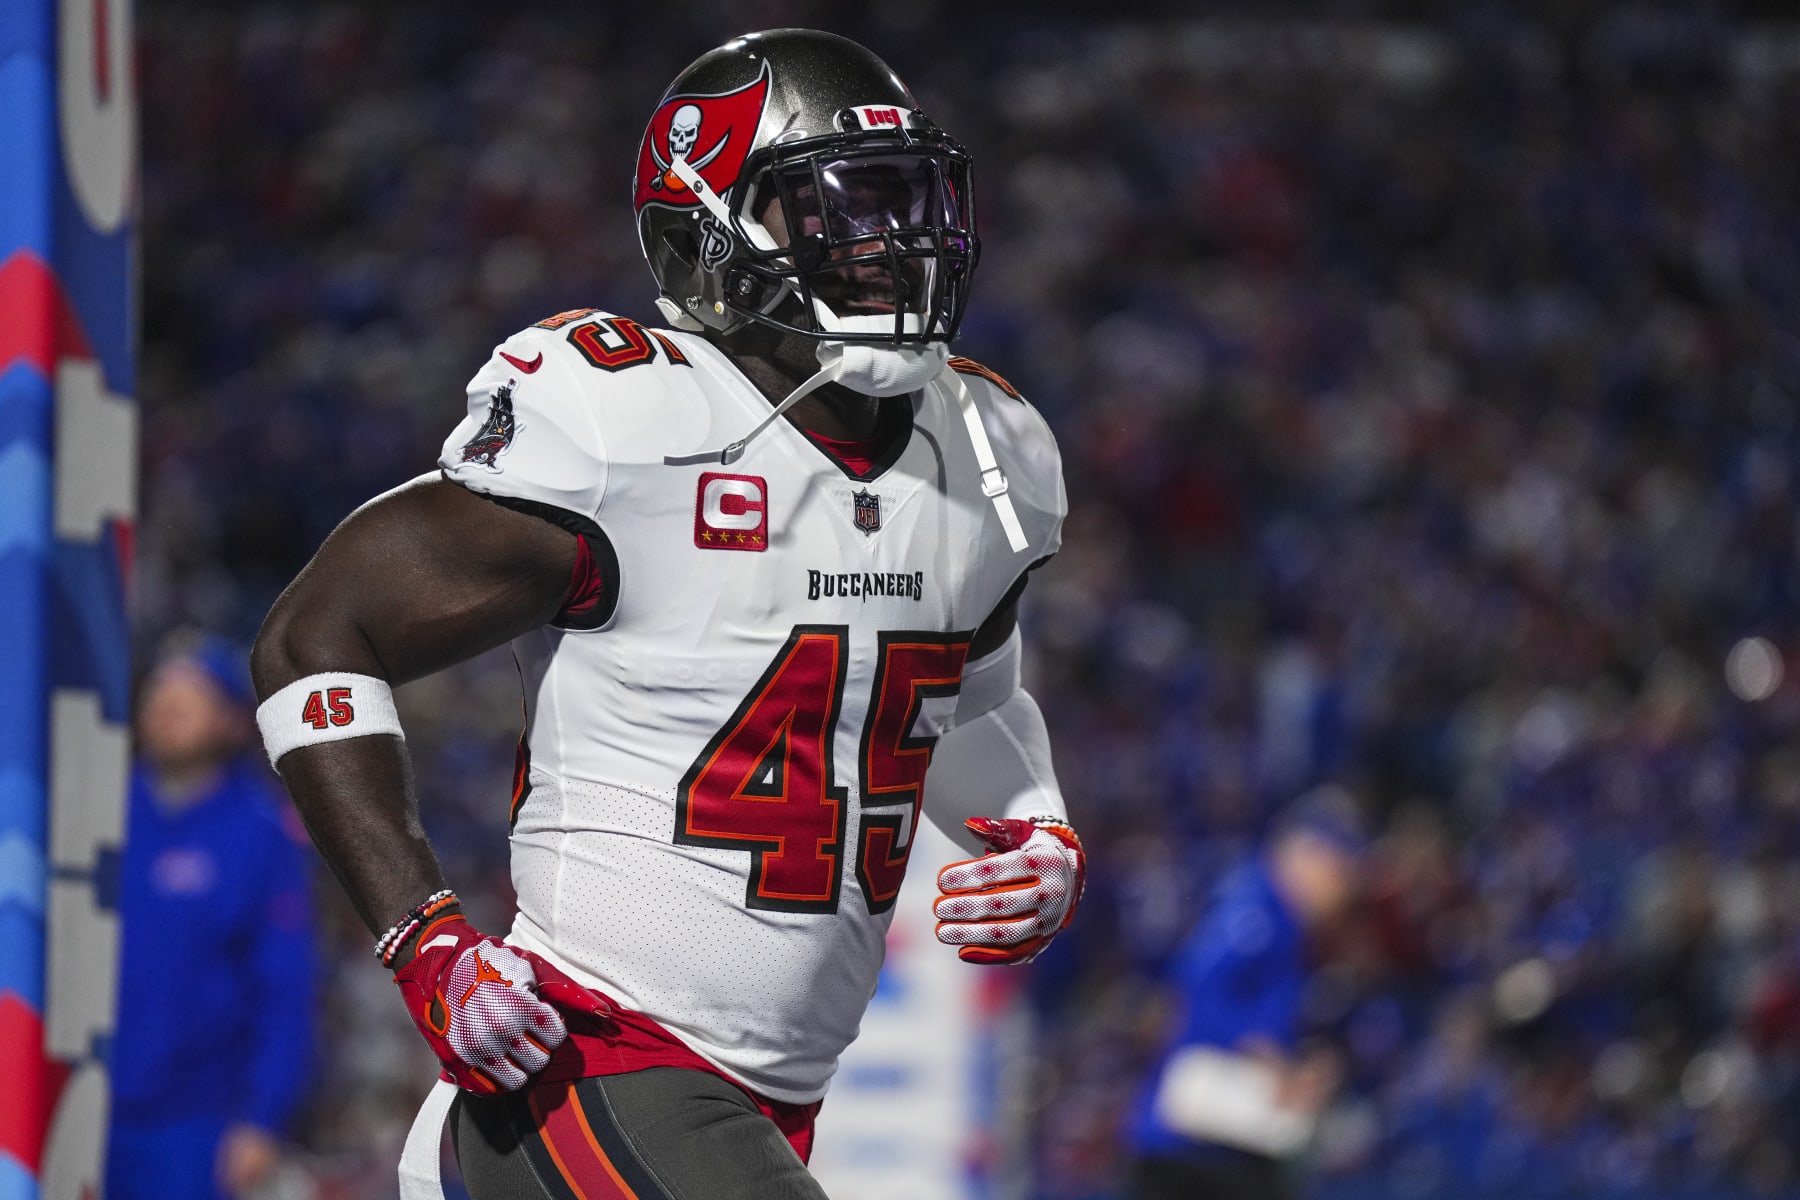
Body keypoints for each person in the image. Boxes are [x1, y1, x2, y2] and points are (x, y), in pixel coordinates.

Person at [250, 28, 1083, 1200]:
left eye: (906, 201)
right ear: (710, 231)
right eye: (837, 208)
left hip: (763, 1104)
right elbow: (315, 636)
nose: (891, 243)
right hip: (578, 1057)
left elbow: (964, 705)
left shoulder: (986, 448)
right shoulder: (631, 423)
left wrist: (1038, 827)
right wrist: (424, 939)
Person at [109, 636, 316, 1200]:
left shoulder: (259, 833)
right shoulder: (99, 812)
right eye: (159, 690)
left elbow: (285, 987)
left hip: (196, 1120)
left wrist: (263, 1117)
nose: (167, 705)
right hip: (83, 1097)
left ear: (230, 721)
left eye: (189, 693)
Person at [1124, 794, 1364, 1200]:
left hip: (1228, 1142)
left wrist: (1296, 1067)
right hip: (1188, 1143)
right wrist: (1270, 1061)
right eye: (1339, 872)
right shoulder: (1259, 908)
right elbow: (1198, 989)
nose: (1343, 891)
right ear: (1307, 856)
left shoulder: (1286, 924)